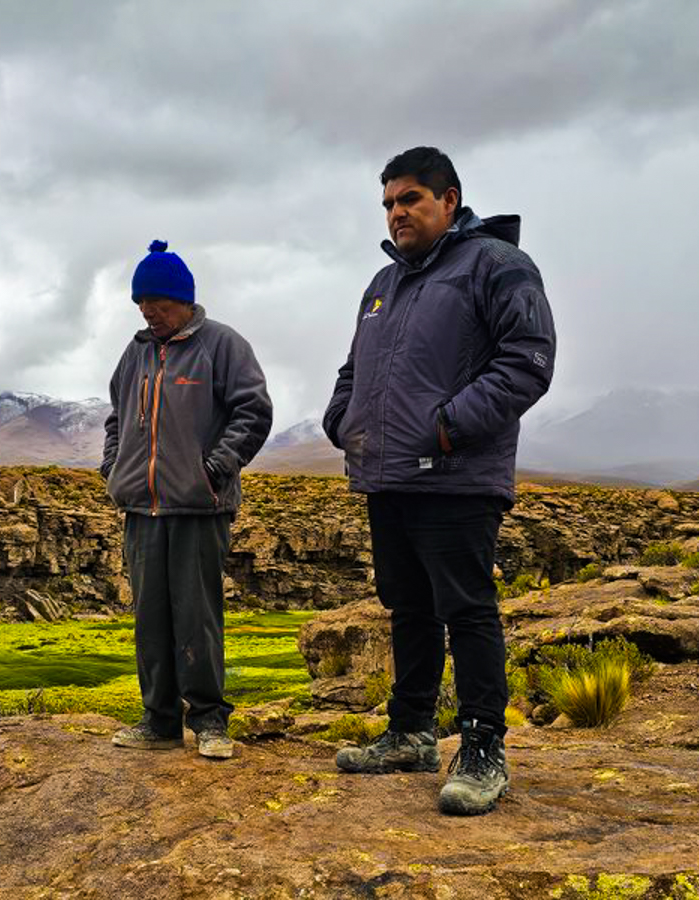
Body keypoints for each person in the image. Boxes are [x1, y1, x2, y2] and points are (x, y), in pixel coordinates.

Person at [322, 147, 556, 814]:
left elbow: (528, 358)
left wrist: (449, 427)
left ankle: (484, 748)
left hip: (456, 475)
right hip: (388, 476)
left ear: (448, 200)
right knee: (408, 607)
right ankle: (411, 732)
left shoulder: (498, 265)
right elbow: (355, 367)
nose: (397, 213)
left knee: (467, 609)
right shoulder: (383, 283)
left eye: (410, 200)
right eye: (389, 204)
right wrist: (343, 419)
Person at [101, 239, 273, 760]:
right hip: (142, 507)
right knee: (150, 617)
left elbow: (254, 412)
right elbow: (117, 416)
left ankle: (210, 720)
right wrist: (114, 468)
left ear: (184, 300)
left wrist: (214, 468)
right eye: (141, 306)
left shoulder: (222, 345)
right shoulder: (135, 352)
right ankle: (158, 720)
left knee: (196, 615)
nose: (149, 313)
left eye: (157, 304)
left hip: (200, 505)